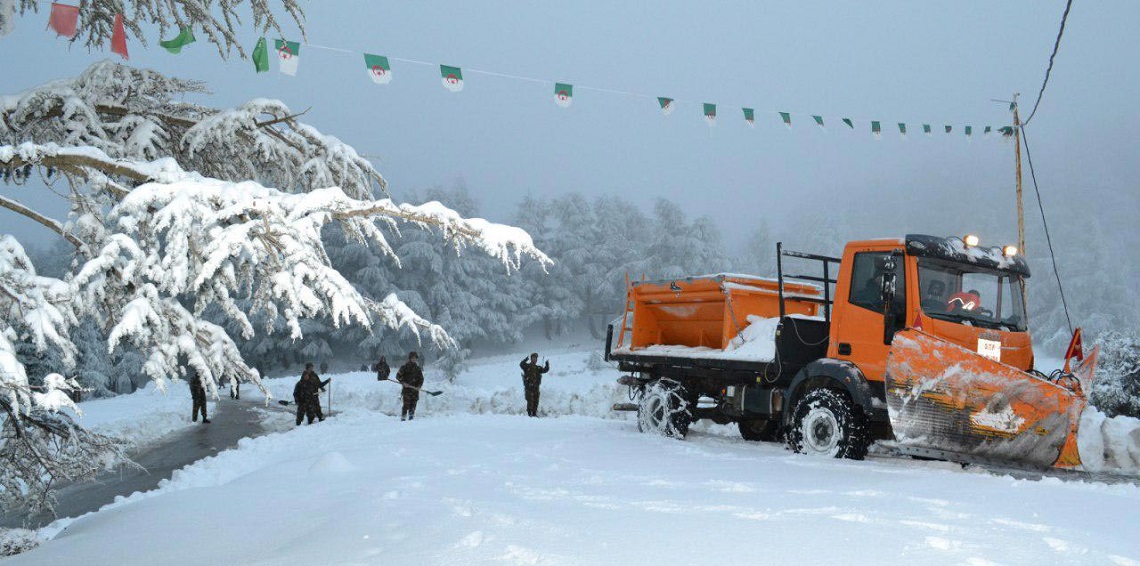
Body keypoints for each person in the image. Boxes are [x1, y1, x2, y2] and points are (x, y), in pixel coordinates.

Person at [519, 353, 550, 417]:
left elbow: (545, 370)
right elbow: (521, 364)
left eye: (536, 358)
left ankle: (534, 413)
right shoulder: (527, 366)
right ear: (531, 359)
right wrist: (525, 359)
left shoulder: (538, 368)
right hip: (529, 387)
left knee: (536, 401)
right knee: (530, 401)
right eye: (533, 358)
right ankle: (529, 414)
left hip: (536, 387)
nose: (535, 359)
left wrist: (547, 364)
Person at [396, 352, 424, 421]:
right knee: (406, 405)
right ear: (410, 358)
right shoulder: (404, 367)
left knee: (413, 405)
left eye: (415, 358)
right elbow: (398, 376)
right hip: (407, 390)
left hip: (415, 390)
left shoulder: (418, 369)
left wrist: (419, 386)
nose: (414, 359)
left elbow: (421, 379)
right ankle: (403, 418)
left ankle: (411, 419)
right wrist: (403, 383)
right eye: (413, 358)